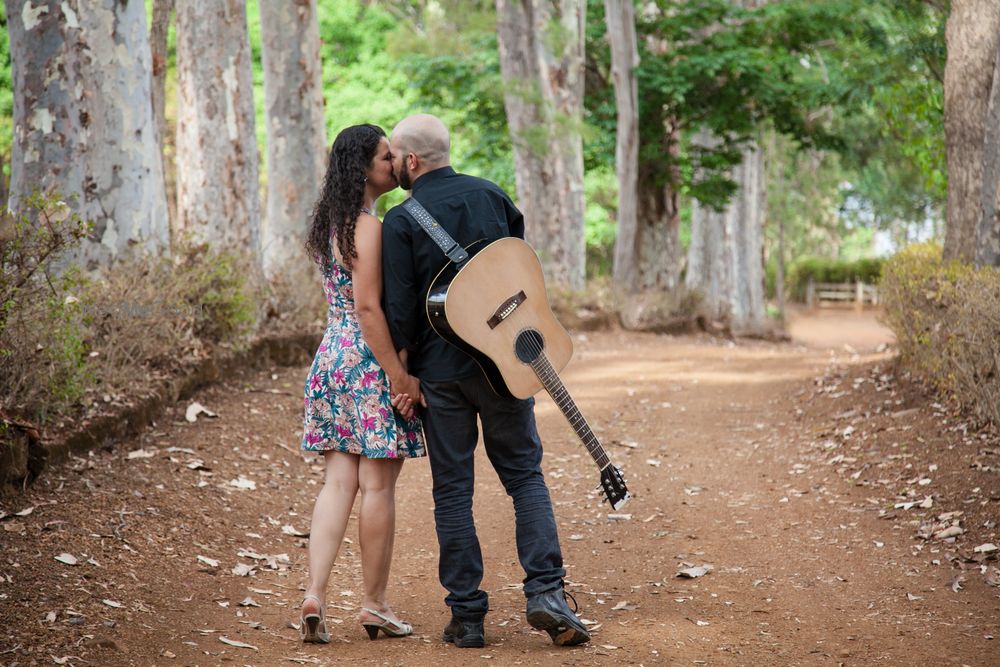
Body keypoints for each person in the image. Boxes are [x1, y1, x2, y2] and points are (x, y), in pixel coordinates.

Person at [380, 113, 591, 649]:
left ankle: (468, 618)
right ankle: (546, 593)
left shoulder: (401, 222)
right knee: (524, 477)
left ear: (410, 161)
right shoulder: (493, 196)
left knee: (453, 491)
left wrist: (403, 377)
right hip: (504, 367)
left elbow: (401, 312)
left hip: (440, 375)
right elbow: (519, 271)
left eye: (394, 158)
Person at [299, 123, 425, 644]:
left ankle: (314, 594)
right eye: (384, 157)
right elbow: (369, 307)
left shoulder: (329, 221)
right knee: (377, 487)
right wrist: (399, 375)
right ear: (363, 168)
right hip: (369, 358)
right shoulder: (369, 228)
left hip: (332, 356)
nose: (392, 163)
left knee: (337, 484)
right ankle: (374, 605)